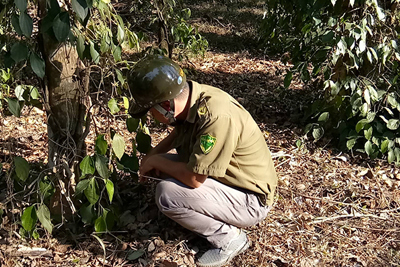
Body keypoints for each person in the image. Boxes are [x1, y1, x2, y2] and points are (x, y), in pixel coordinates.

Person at [127, 54, 278, 267]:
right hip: (230, 180)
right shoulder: (192, 99)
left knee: (167, 194)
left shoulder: (216, 117)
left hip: (251, 200)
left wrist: (157, 162)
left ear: (166, 107)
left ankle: (229, 239)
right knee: (166, 168)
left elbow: (195, 179)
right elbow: (178, 133)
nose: (151, 117)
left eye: (151, 111)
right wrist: (153, 156)